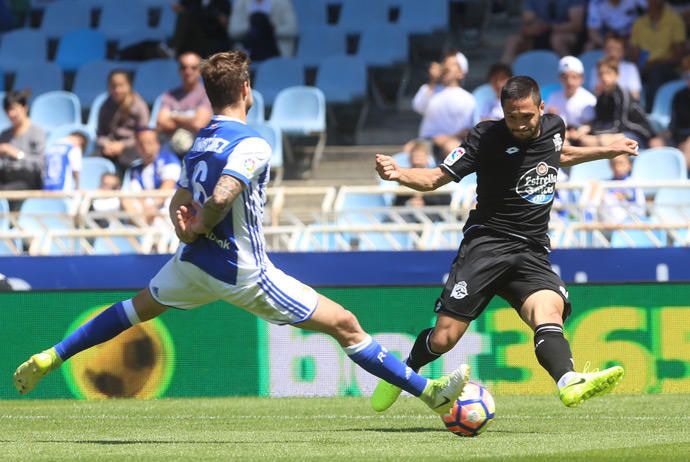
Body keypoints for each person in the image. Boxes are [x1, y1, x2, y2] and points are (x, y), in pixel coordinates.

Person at [13, 51, 470, 418]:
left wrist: (186, 228)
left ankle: (54, 355)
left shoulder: (200, 142)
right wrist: (204, 222)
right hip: (242, 269)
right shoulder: (251, 143)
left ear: (210, 94)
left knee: (132, 309)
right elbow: (223, 194)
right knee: (345, 325)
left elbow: (179, 200)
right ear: (246, 90)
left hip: (191, 264)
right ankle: (432, 394)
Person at [372, 76, 634, 412]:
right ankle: (404, 371)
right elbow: (436, 177)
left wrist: (606, 150)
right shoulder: (485, 138)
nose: (521, 124)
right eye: (513, 117)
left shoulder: (555, 127)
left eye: (527, 116)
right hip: (487, 246)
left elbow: (557, 154)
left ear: (541, 108)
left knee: (548, 310)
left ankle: (568, 381)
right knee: (444, 338)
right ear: (502, 112)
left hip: (531, 249)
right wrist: (399, 174)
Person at [575, 56, 663, 148]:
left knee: (603, 141)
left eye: (608, 73)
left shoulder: (622, 95)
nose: (604, 77)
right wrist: (586, 130)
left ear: (617, 75)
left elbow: (621, 125)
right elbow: (600, 121)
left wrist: (594, 133)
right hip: (615, 132)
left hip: (636, 134)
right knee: (584, 141)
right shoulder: (601, 97)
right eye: (601, 74)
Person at [413, 51, 476, 162]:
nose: (446, 66)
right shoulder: (430, 89)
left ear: (461, 73)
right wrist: (432, 81)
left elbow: (467, 129)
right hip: (426, 141)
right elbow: (418, 107)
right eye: (445, 62)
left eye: (452, 64)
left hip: (452, 141)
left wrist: (445, 139)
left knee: (453, 149)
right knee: (418, 157)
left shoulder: (468, 98)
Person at [629, 0, 686, 110]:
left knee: (656, 70)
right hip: (644, 68)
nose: (652, 2)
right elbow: (634, 54)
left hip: (667, 68)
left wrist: (657, 62)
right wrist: (635, 70)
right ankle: (631, 112)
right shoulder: (639, 23)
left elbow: (679, 55)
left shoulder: (675, 21)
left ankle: (652, 112)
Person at [156, 52, 213, 155]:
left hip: (197, 151)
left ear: (200, 70)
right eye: (184, 67)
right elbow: (161, 123)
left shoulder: (207, 94)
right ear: (179, 70)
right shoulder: (169, 95)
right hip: (169, 151)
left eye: (193, 68)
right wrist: (190, 120)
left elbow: (199, 125)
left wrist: (174, 116)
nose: (188, 71)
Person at [122, 129, 181, 225]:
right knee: (125, 199)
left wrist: (153, 205)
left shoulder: (169, 160)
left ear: (157, 144)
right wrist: (145, 207)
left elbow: (167, 187)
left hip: (164, 206)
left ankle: (142, 228)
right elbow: (135, 192)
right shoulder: (135, 169)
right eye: (141, 144)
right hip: (143, 209)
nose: (145, 147)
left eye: (149, 143)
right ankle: (142, 228)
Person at [96, 70, 150, 174]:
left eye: (121, 85)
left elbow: (143, 135)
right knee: (95, 159)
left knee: (125, 161)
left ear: (129, 85)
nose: (117, 90)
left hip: (131, 147)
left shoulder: (138, 106)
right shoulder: (106, 106)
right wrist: (106, 144)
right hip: (110, 146)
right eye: (113, 86)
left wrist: (122, 145)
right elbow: (100, 133)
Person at [501, 0, 586, 64]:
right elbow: (527, 22)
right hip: (539, 34)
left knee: (557, 40)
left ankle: (570, 71)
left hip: (567, 35)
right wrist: (533, 28)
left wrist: (550, 27)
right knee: (512, 41)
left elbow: (576, 25)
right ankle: (502, 77)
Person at [0, 91, 46, 199]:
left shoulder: (36, 132)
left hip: (27, 181)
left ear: (24, 108)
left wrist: (16, 154)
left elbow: (39, 164)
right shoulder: (5, 134)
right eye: (8, 110)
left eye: (14, 108)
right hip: (6, 176)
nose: (11, 113)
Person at [393, 140, 450, 222]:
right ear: (410, 160)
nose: (417, 161)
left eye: (420, 157)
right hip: (409, 215)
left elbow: (445, 200)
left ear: (427, 158)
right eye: (415, 157)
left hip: (432, 213)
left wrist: (424, 201)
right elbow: (398, 203)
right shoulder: (404, 178)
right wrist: (409, 202)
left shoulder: (436, 175)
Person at [545, 56, 597, 143]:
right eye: (565, 77)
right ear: (560, 78)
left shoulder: (589, 99)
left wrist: (579, 132)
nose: (569, 82)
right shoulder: (553, 96)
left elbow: (590, 124)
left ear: (581, 78)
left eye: (574, 77)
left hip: (582, 138)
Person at [229, 0, 298, 59]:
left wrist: (273, 29)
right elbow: (233, 31)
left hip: (276, 48)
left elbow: (293, 29)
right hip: (251, 46)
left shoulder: (282, 2)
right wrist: (252, 27)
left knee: (260, 21)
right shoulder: (241, 2)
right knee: (257, 21)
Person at [589, 34, 642, 101]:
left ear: (623, 52)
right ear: (604, 50)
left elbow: (635, 96)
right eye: (610, 49)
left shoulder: (631, 68)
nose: (613, 53)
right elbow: (594, 94)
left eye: (617, 49)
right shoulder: (596, 68)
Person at [598, 154, 646, 224]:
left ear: (629, 165)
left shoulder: (634, 184)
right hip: (607, 222)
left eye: (621, 163)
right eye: (614, 164)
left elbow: (640, 209)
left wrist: (623, 199)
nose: (617, 167)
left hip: (629, 222)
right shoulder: (604, 184)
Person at [667, 55, 690, 176]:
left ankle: (680, 189)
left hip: (688, 140)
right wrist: (676, 141)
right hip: (680, 136)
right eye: (687, 76)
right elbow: (673, 124)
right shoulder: (679, 96)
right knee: (655, 143)